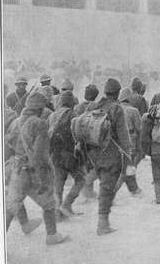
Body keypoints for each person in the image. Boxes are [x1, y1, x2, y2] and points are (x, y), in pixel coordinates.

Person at [6, 91, 68, 245]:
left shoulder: (16, 121)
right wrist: (42, 178)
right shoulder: (40, 124)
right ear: (41, 108)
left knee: (11, 206)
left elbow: (8, 146)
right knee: (49, 203)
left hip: (17, 168)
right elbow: (39, 156)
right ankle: (52, 235)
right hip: (33, 172)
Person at [85, 78, 131, 235]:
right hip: (111, 154)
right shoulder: (116, 109)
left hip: (94, 153)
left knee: (104, 185)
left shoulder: (94, 106)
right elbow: (123, 135)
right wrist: (128, 154)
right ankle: (102, 224)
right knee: (107, 187)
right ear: (117, 93)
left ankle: (102, 220)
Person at [48, 91, 86, 220]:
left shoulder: (52, 115)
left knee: (58, 184)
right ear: (71, 102)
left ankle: (58, 213)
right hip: (69, 154)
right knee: (81, 180)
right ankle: (67, 204)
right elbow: (78, 136)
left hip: (55, 155)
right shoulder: (73, 115)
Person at [74, 84, 100, 199]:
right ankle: (88, 190)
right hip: (93, 141)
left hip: (80, 140)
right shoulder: (97, 106)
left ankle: (87, 192)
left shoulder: (77, 107)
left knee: (84, 166)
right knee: (94, 166)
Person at [118, 88, 143, 196]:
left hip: (117, 142)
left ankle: (134, 188)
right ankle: (112, 193)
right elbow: (139, 128)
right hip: (130, 141)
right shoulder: (134, 111)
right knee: (128, 166)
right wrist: (140, 145)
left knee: (127, 166)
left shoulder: (116, 109)